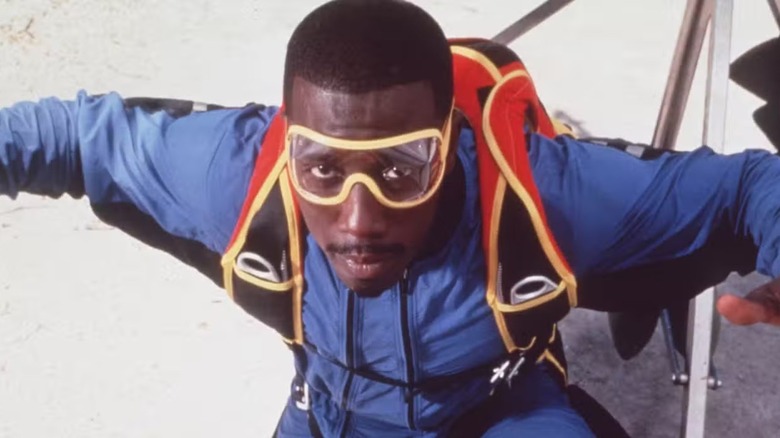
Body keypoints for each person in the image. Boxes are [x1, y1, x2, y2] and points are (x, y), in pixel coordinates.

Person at [1, 0, 779, 436]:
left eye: (404, 166)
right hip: (332, 415)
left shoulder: (545, 189)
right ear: (288, 144)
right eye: (323, 167)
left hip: (500, 408)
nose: (359, 218)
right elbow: (70, 133)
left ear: (453, 141)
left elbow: (751, 188)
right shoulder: (235, 173)